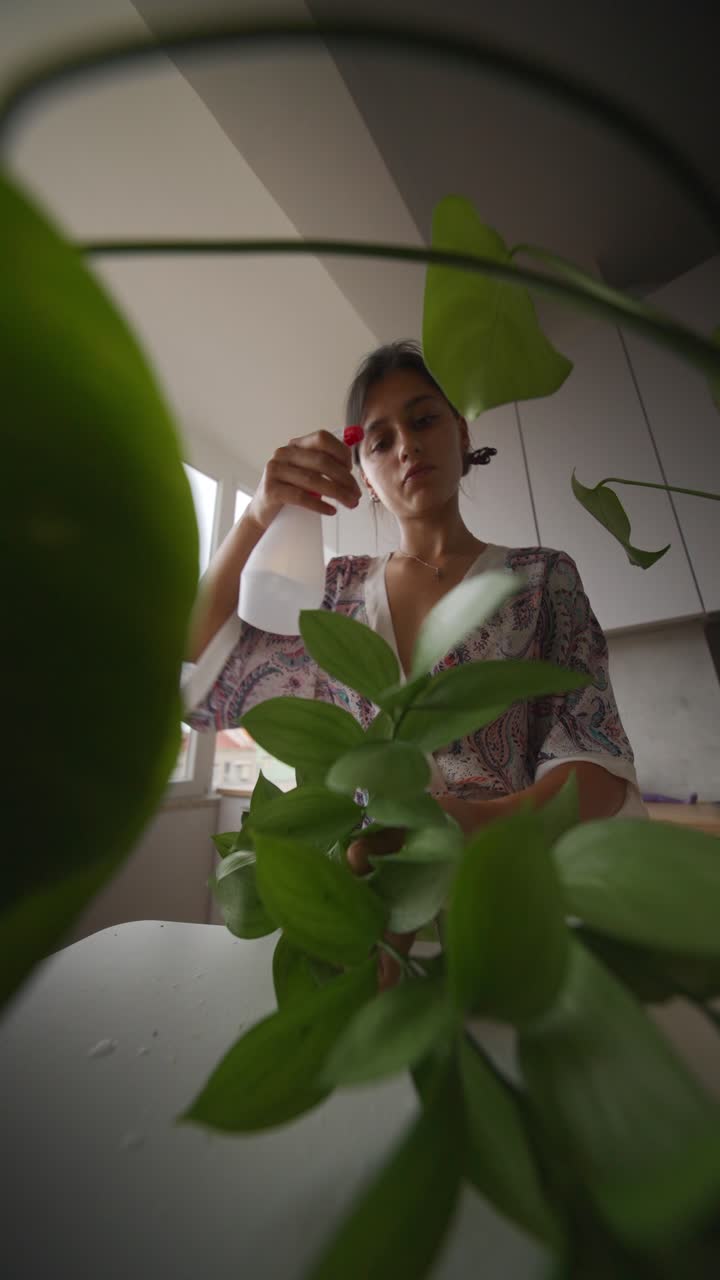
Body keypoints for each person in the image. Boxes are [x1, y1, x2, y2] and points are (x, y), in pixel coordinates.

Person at [183, 340, 647, 989]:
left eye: (423, 419)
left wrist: (469, 826)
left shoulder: (540, 581)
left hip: (507, 909)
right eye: (379, 439)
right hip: (365, 926)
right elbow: (200, 655)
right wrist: (259, 512)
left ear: (460, 430)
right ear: (361, 470)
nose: (405, 446)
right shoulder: (331, 595)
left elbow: (594, 762)